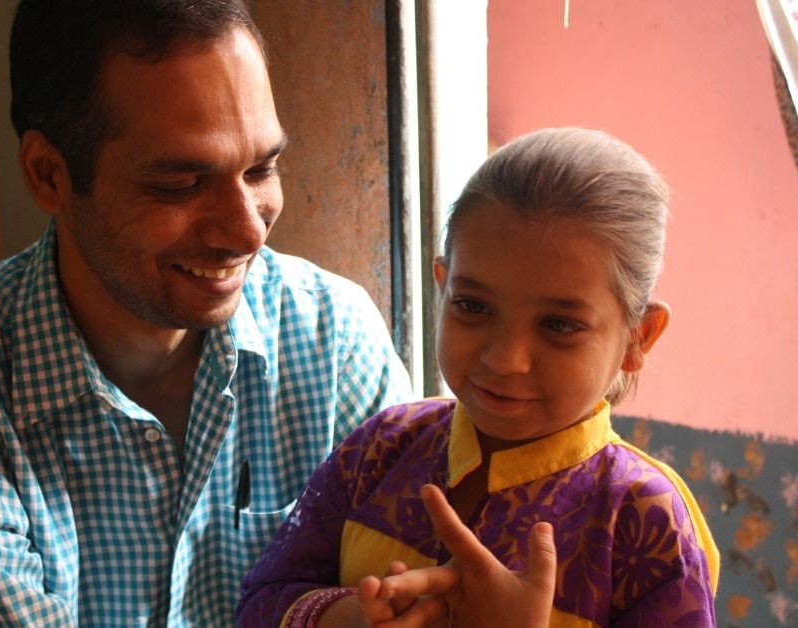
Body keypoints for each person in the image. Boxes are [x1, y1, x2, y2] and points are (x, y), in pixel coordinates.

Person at [0, 1, 418, 625]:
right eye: (180, 185)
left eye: (262, 168)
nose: (247, 233)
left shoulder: (333, 339)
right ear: (48, 174)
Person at [237, 127, 721, 627]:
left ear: (638, 338)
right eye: (473, 306)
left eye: (559, 325)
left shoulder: (645, 522)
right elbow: (261, 602)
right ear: (442, 288)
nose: (505, 359)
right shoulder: (381, 448)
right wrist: (350, 617)